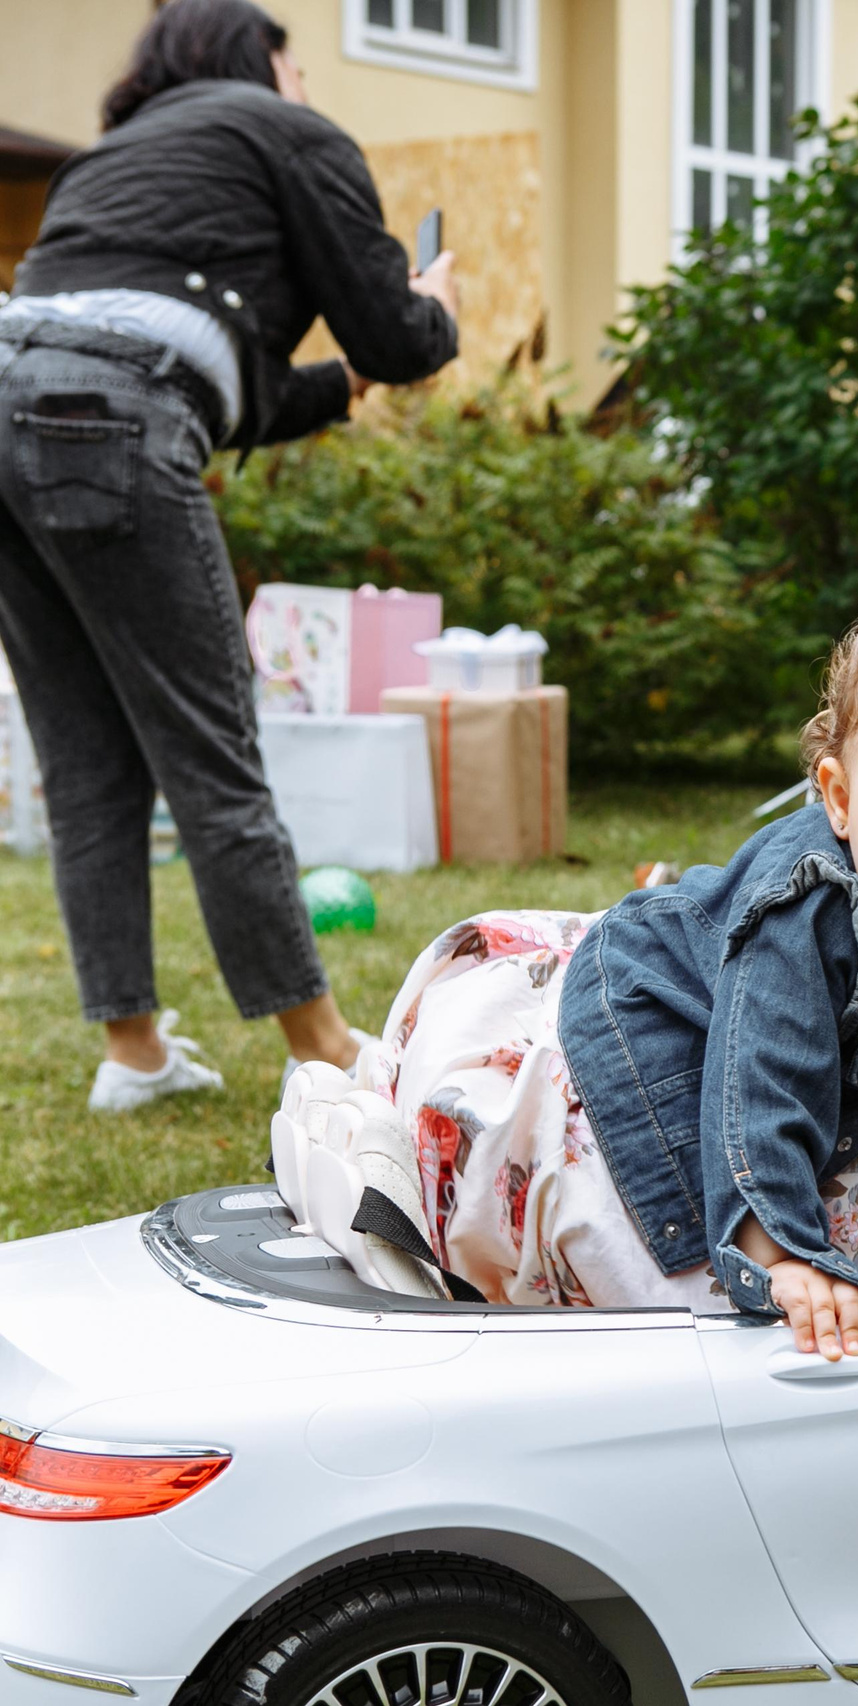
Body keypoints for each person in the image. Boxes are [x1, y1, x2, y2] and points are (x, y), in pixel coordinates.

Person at [329, 540, 858, 1358]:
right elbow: (759, 1087)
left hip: (772, 1049)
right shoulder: (808, 923)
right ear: (839, 799)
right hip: (671, 1056)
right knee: (708, 1282)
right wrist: (782, 1251)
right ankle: (393, 1168)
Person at [0, 0, 458, 1111]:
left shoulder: (115, 159)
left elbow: (205, 378)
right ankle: (325, 1047)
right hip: (108, 417)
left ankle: (133, 1053)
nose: (306, 88)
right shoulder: (287, 131)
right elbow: (392, 335)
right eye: (298, 68)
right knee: (214, 752)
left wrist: (336, 386)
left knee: (85, 752)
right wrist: (433, 311)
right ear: (261, 62)